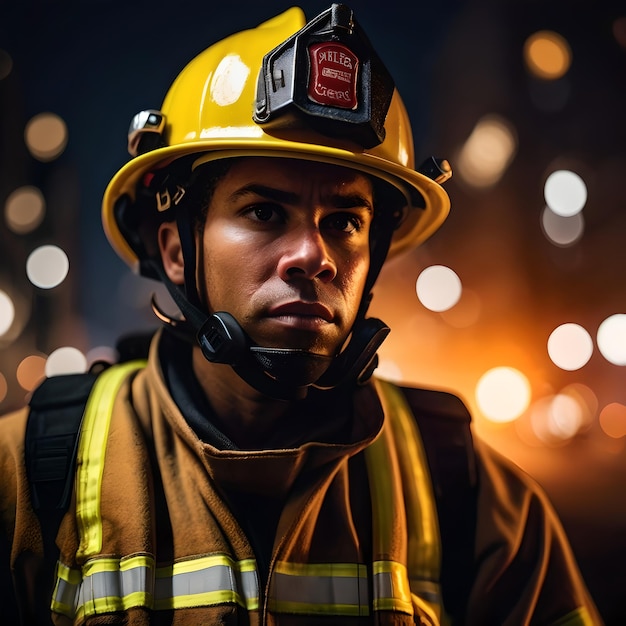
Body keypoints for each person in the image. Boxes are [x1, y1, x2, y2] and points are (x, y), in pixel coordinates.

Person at [0, 4, 603, 625]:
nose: (313, 256)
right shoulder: (26, 477)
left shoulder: (472, 494)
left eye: (344, 222)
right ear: (176, 251)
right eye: (264, 212)